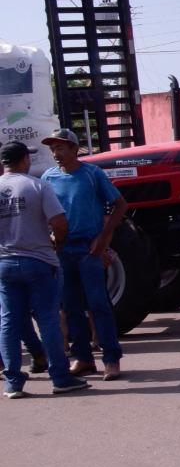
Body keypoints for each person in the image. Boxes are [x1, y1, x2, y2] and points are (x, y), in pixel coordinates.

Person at [0, 140, 88, 397]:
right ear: (24, 160)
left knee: (8, 322)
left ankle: (13, 383)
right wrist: (55, 244)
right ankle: (60, 378)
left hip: (5, 263)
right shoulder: (37, 185)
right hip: (39, 261)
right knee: (48, 319)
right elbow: (59, 223)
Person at [40, 129, 126, 381]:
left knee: (98, 303)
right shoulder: (49, 177)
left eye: (61, 148)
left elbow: (119, 205)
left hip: (89, 249)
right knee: (71, 307)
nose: (56, 154)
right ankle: (84, 359)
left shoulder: (92, 175)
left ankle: (111, 358)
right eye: (53, 149)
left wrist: (103, 240)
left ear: (75, 149)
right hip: (63, 250)